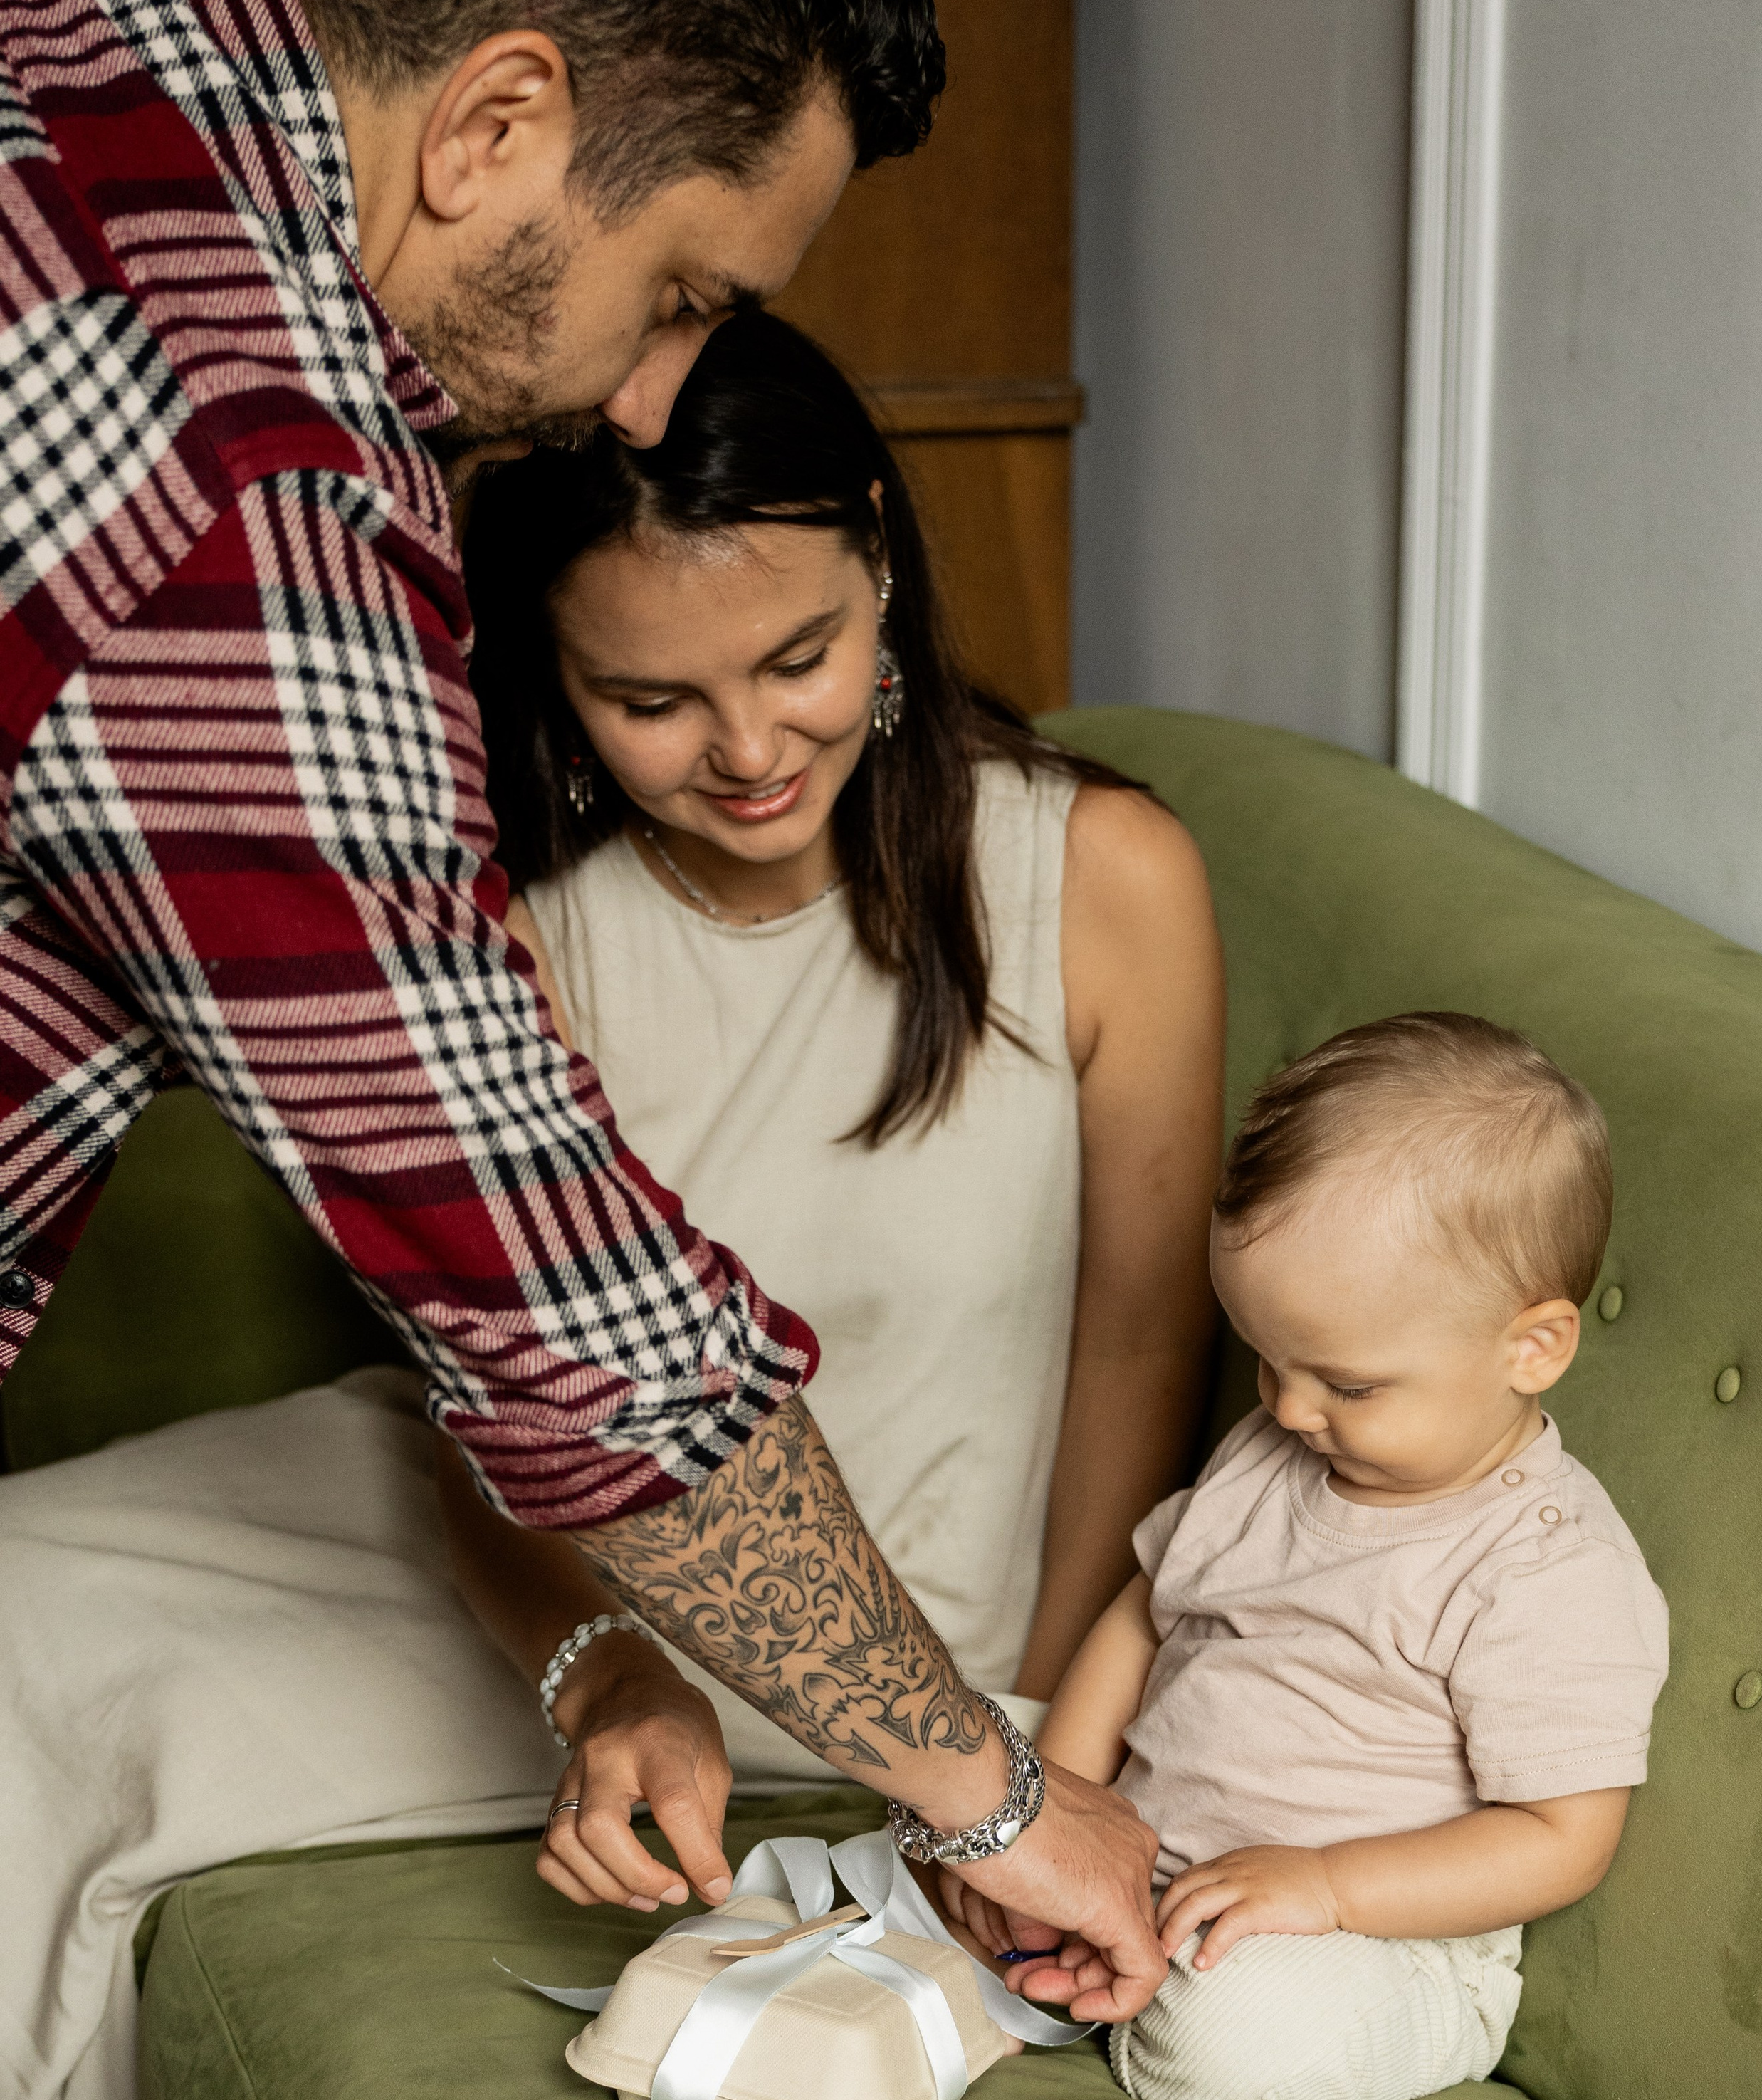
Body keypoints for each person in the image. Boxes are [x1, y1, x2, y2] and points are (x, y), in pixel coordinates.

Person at [0, 0, 1168, 2059]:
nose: (642, 396)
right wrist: (999, 1793)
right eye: (682, 298)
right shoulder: (250, 505)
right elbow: (554, 1309)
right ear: (499, 119)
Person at [447, 310, 1225, 1911]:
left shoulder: (1099, 878)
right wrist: (609, 1681)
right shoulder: (514, 934)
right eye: (648, 699)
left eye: (797, 660)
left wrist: (1040, 1757)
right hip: (567, 1637)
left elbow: (1142, 1340)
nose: (747, 753)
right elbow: (483, 1417)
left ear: (879, 552)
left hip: (929, 1674)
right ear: (555, 670)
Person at [950, 1015, 1670, 2100]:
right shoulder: (1280, 1452)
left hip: (1366, 1938)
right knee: (950, 1756)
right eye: (1267, 1358)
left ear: (1532, 1349)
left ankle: (1127, 1997)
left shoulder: (1543, 1569)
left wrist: (1328, 1887)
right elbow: (1145, 1618)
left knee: (1248, 2038)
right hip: (1136, 1853)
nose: (1287, 1408)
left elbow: (1560, 1838)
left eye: (1346, 1384)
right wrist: (1057, 1796)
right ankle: (1072, 1939)